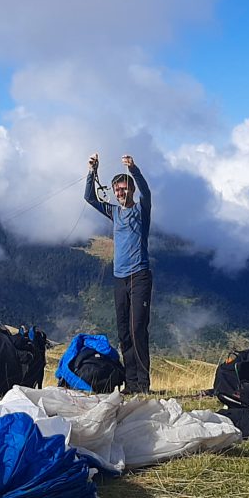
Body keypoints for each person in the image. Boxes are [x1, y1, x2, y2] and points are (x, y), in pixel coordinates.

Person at [84, 153, 153, 393]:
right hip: (119, 278)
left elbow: (147, 193)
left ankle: (143, 385)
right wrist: (93, 171)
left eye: (124, 189)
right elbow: (89, 197)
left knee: (137, 329)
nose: (120, 193)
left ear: (131, 190)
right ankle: (131, 383)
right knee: (124, 331)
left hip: (140, 275)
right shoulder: (114, 212)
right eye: (117, 190)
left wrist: (134, 169)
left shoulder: (141, 210)